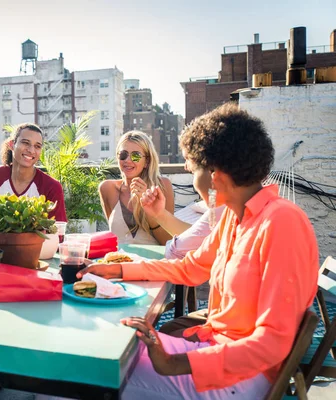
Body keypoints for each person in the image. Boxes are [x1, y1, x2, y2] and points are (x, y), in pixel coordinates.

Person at [79, 103, 318, 399]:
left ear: (215, 174)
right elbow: (189, 268)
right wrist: (117, 269)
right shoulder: (234, 214)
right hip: (214, 349)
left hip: (240, 378)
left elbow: (272, 342)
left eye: (193, 167)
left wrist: (175, 362)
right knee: (101, 351)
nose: (191, 176)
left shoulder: (282, 222)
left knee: (88, 375)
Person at [0, 123, 67, 222]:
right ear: (12, 145)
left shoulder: (52, 186)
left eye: (37, 146)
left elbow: (58, 230)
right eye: (25, 143)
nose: (31, 150)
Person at [98, 131, 174, 245]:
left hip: (154, 261)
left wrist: (147, 206)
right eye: (123, 154)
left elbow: (168, 242)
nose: (128, 160)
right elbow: (116, 238)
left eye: (136, 155)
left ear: (147, 162)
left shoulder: (162, 186)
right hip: (120, 260)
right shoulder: (107, 188)